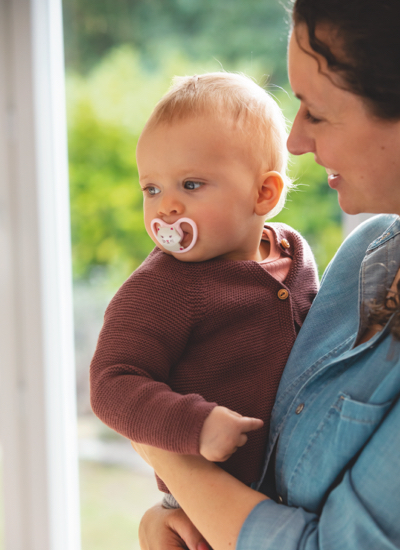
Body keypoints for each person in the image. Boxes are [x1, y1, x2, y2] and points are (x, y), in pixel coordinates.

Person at [134, 0, 400, 548]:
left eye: (317, 111)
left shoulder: (299, 259)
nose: (296, 140)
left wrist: (169, 453)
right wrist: (182, 509)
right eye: (152, 188)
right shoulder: (367, 252)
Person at [90, 72, 319, 508]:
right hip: (209, 499)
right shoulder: (161, 287)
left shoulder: (294, 252)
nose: (166, 206)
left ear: (263, 194)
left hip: (298, 489)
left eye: (190, 185)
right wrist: (196, 425)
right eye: (151, 188)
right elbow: (110, 384)